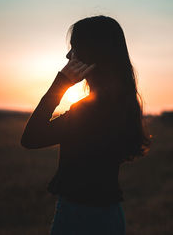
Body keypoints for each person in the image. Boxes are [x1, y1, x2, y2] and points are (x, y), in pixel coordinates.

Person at [21, 15, 151, 234]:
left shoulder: (89, 111)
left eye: (74, 48)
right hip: (111, 215)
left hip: (79, 217)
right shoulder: (125, 103)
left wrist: (59, 85)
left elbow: (31, 138)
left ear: (93, 53)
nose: (68, 55)